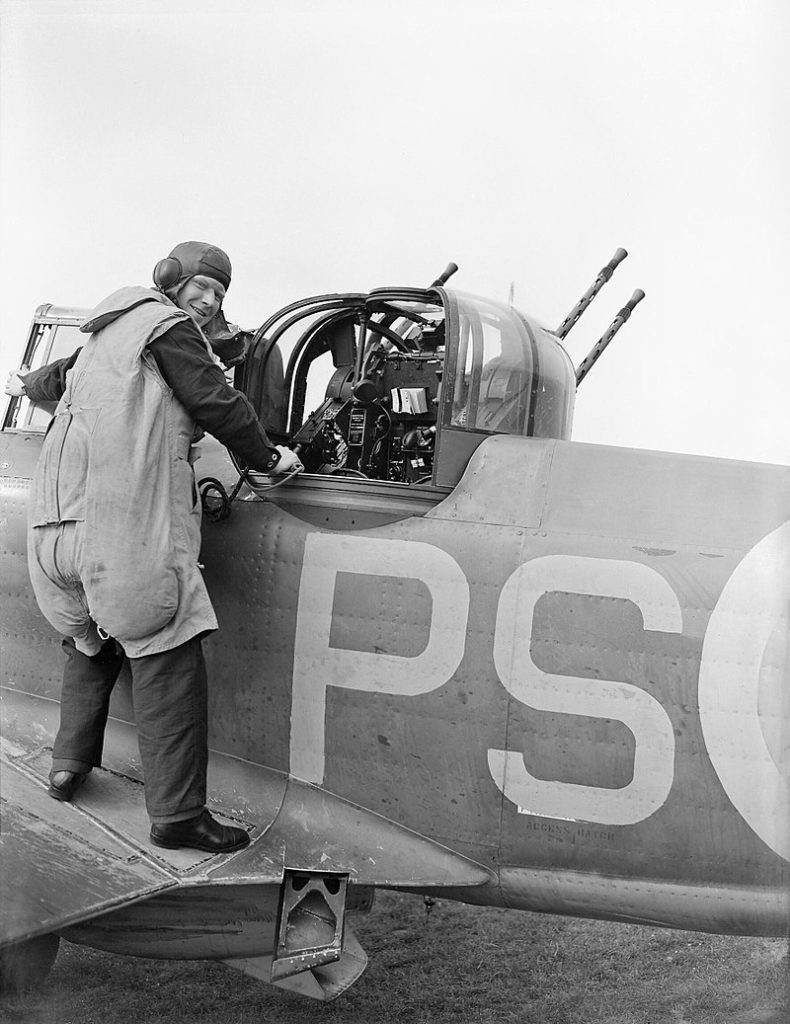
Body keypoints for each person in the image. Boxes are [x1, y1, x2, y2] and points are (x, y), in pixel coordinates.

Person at [4, 240, 301, 854]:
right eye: (203, 287)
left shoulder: (101, 338)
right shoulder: (167, 328)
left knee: (92, 636)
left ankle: (67, 766)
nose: (210, 300)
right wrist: (269, 458)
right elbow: (217, 402)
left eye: (219, 293)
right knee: (169, 648)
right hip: (121, 534)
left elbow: (40, 383)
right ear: (170, 280)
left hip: (56, 534)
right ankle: (178, 817)